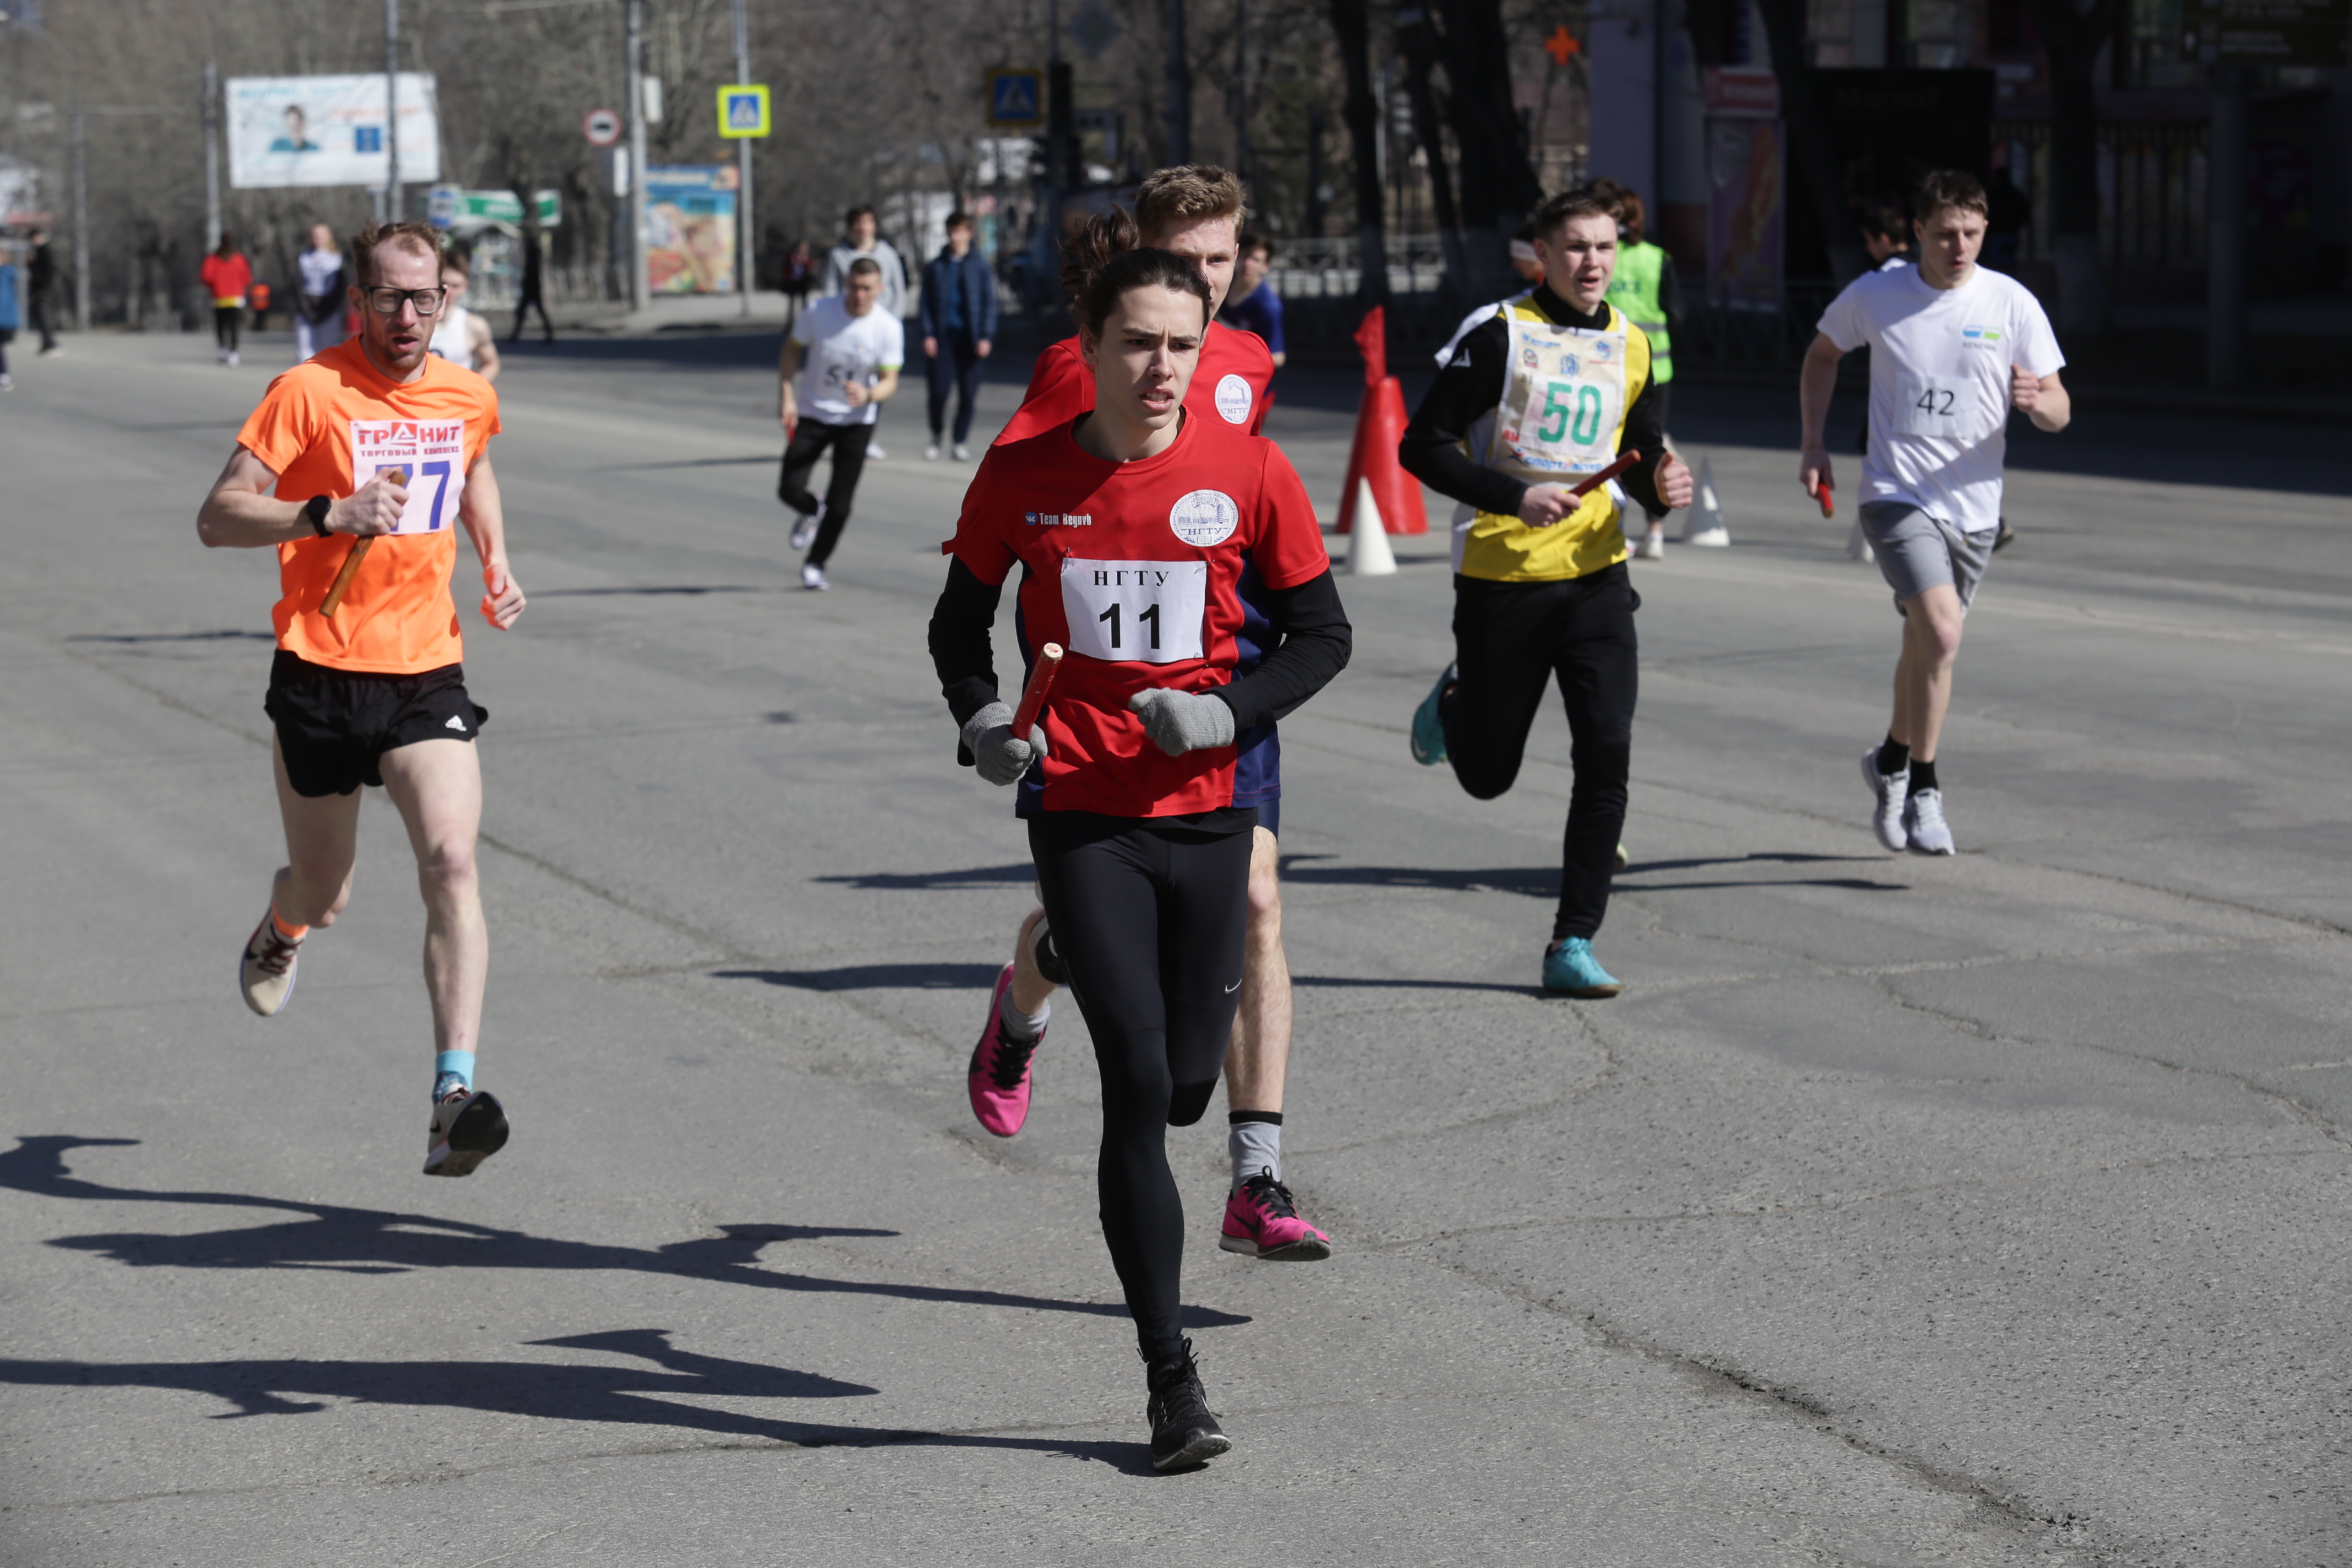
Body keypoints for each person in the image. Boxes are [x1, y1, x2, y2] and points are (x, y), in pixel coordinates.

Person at [928, 246, 1350, 1470]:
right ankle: (1172, 1381)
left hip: (1208, 806)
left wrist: (1226, 715)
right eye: (1138, 343)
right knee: (1136, 1084)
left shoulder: (1249, 469)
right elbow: (958, 623)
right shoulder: (1025, 476)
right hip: (1082, 806)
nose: (1162, 368)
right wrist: (984, 720)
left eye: (1182, 344)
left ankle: (1053, 959)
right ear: (1091, 348)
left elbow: (1323, 635)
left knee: (1186, 1087)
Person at [979, 167, 1329, 1265]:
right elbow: (1031, 503)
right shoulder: (1081, 364)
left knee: (1259, 902)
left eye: (1222, 263)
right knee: (1110, 937)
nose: (1203, 283)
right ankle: (1026, 996)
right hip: (1095, 710)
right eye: (1184, 260)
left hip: (1226, 680)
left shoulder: (1247, 361)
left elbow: (1237, 500)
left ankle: (1256, 1178)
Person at [195, 219, 525, 1177]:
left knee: (452, 862)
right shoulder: (308, 390)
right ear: (359, 301)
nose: (408, 315)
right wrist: (326, 513)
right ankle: (283, 926)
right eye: (389, 297)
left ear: (445, 300)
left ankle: (451, 1099)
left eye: (425, 298)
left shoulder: (466, 393)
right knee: (325, 892)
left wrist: (498, 559)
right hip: (319, 673)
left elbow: (474, 463)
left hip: (425, 669)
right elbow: (217, 516)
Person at [1399, 185, 1694, 998]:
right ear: (1543, 254)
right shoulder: (1501, 334)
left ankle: (1573, 939)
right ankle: (1456, 700)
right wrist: (1514, 496)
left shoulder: (1633, 342)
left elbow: (1643, 452)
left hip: (1598, 576)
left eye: (1604, 247)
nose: (1592, 262)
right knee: (1487, 774)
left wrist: (1665, 485)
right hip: (1504, 574)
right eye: (1575, 248)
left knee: (1607, 750)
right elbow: (1422, 445)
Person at [1800, 170, 2068, 857]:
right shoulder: (1878, 294)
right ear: (1918, 231)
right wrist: (1814, 442)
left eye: (1972, 234)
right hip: (1896, 495)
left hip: (1974, 510)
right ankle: (1924, 784)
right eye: (1946, 234)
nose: (1960, 248)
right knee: (1944, 635)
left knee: (1924, 642)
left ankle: (1889, 758)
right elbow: (1822, 355)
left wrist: (2038, 404)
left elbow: (2061, 407)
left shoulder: (2010, 302)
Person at [775, 256, 902, 590]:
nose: (860, 295)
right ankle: (810, 508)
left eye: (867, 289)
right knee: (788, 488)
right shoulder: (819, 312)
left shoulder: (888, 327)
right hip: (813, 412)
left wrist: (870, 394)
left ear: (880, 289)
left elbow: (890, 380)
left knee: (841, 504)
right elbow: (792, 349)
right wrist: (786, 395)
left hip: (856, 421)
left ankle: (815, 564)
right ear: (846, 284)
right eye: (855, 287)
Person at [1595, 183, 1684, 561]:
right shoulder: (1658, 259)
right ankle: (1655, 532)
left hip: (1604, 368)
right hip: (1656, 369)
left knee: (1607, 446)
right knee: (1650, 446)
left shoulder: (1600, 258)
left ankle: (1612, 526)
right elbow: (1677, 313)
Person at [821, 208, 907, 458]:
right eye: (858, 223)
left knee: (878, 385)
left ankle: (867, 436)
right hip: (847, 329)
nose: (863, 227)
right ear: (851, 227)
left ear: (874, 225)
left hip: (879, 332)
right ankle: (839, 434)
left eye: (868, 222)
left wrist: (892, 325)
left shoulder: (888, 254)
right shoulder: (839, 256)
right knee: (847, 383)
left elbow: (899, 292)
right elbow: (830, 290)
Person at [917, 211, 997, 461]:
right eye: (952, 231)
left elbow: (989, 304)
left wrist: (986, 337)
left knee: (968, 395)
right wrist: (928, 334)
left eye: (960, 231)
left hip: (970, 341)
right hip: (943, 340)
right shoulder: (936, 266)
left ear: (969, 233)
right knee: (938, 392)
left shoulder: (980, 266)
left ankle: (959, 440)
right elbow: (925, 303)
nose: (955, 237)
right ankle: (936, 435)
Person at [428, 249, 502, 382]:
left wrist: (473, 388)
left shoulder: (474, 326)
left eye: (456, 286)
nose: (449, 292)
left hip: (455, 394)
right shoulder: (412, 320)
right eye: (443, 284)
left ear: (465, 287)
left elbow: (491, 364)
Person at [1218, 230, 1286, 368]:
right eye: (1245, 256)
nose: (1248, 264)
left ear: (1266, 267)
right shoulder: (1220, 284)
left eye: (1256, 260)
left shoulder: (1268, 306)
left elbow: (1277, 357)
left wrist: (1239, 359)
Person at [295, 224, 346, 363]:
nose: (317, 238)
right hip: (307, 304)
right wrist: (304, 307)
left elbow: (341, 286)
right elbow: (297, 284)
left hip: (329, 305)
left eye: (321, 235)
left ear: (329, 237)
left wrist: (333, 307)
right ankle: (305, 375)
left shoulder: (336, 257)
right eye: (314, 235)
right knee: (304, 348)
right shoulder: (303, 257)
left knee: (327, 348)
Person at [201, 233, 253, 366]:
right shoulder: (239, 259)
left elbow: (206, 277)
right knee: (234, 326)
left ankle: (223, 349)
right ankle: (234, 353)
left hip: (219, 297)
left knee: (220, 325)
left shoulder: (213, 259)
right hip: (236, 298)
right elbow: (247, 278)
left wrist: (216, 285)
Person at [509, 231, 554, 344]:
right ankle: (516, 334)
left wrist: (527, 284)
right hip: (531, 287)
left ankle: (516, 334)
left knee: (530, 311)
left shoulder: (532, 255)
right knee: (527, 312)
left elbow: (532, 273)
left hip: (531, 288)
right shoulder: (532, 254)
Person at [28, 228, 61, 356]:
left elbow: (49, 271)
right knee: (38, 316)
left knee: (42, 316)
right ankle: (46, 344)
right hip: (40, 289)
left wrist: (44, 287)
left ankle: (51, 344)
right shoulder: (39, 251)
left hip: (43, 290)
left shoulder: (45, 250)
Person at [0, 241, 18, 389]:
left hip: (4, 320)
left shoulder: (5, 274)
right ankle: (4, 375)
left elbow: (4, 300)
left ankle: (4, 375)